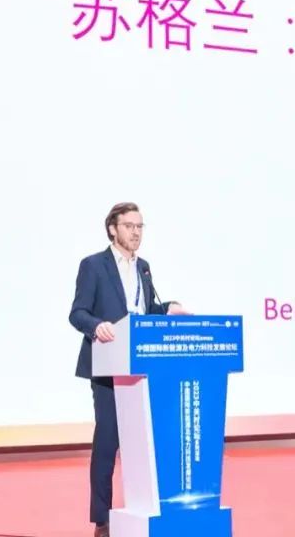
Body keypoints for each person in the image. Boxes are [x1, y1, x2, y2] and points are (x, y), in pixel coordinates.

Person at [69, 202, 188, 537]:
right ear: (113, 229)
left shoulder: (144, 268)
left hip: (140, 368)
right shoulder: (93, 265)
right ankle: (102, 521)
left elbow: (144, 313)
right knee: (107, 443)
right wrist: (97, 326)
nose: (136, 233)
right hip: (108, 367)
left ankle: (144, 511)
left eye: (140, 227)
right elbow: (78, 313)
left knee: (142, 444)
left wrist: (168, 309)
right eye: (129, 226)